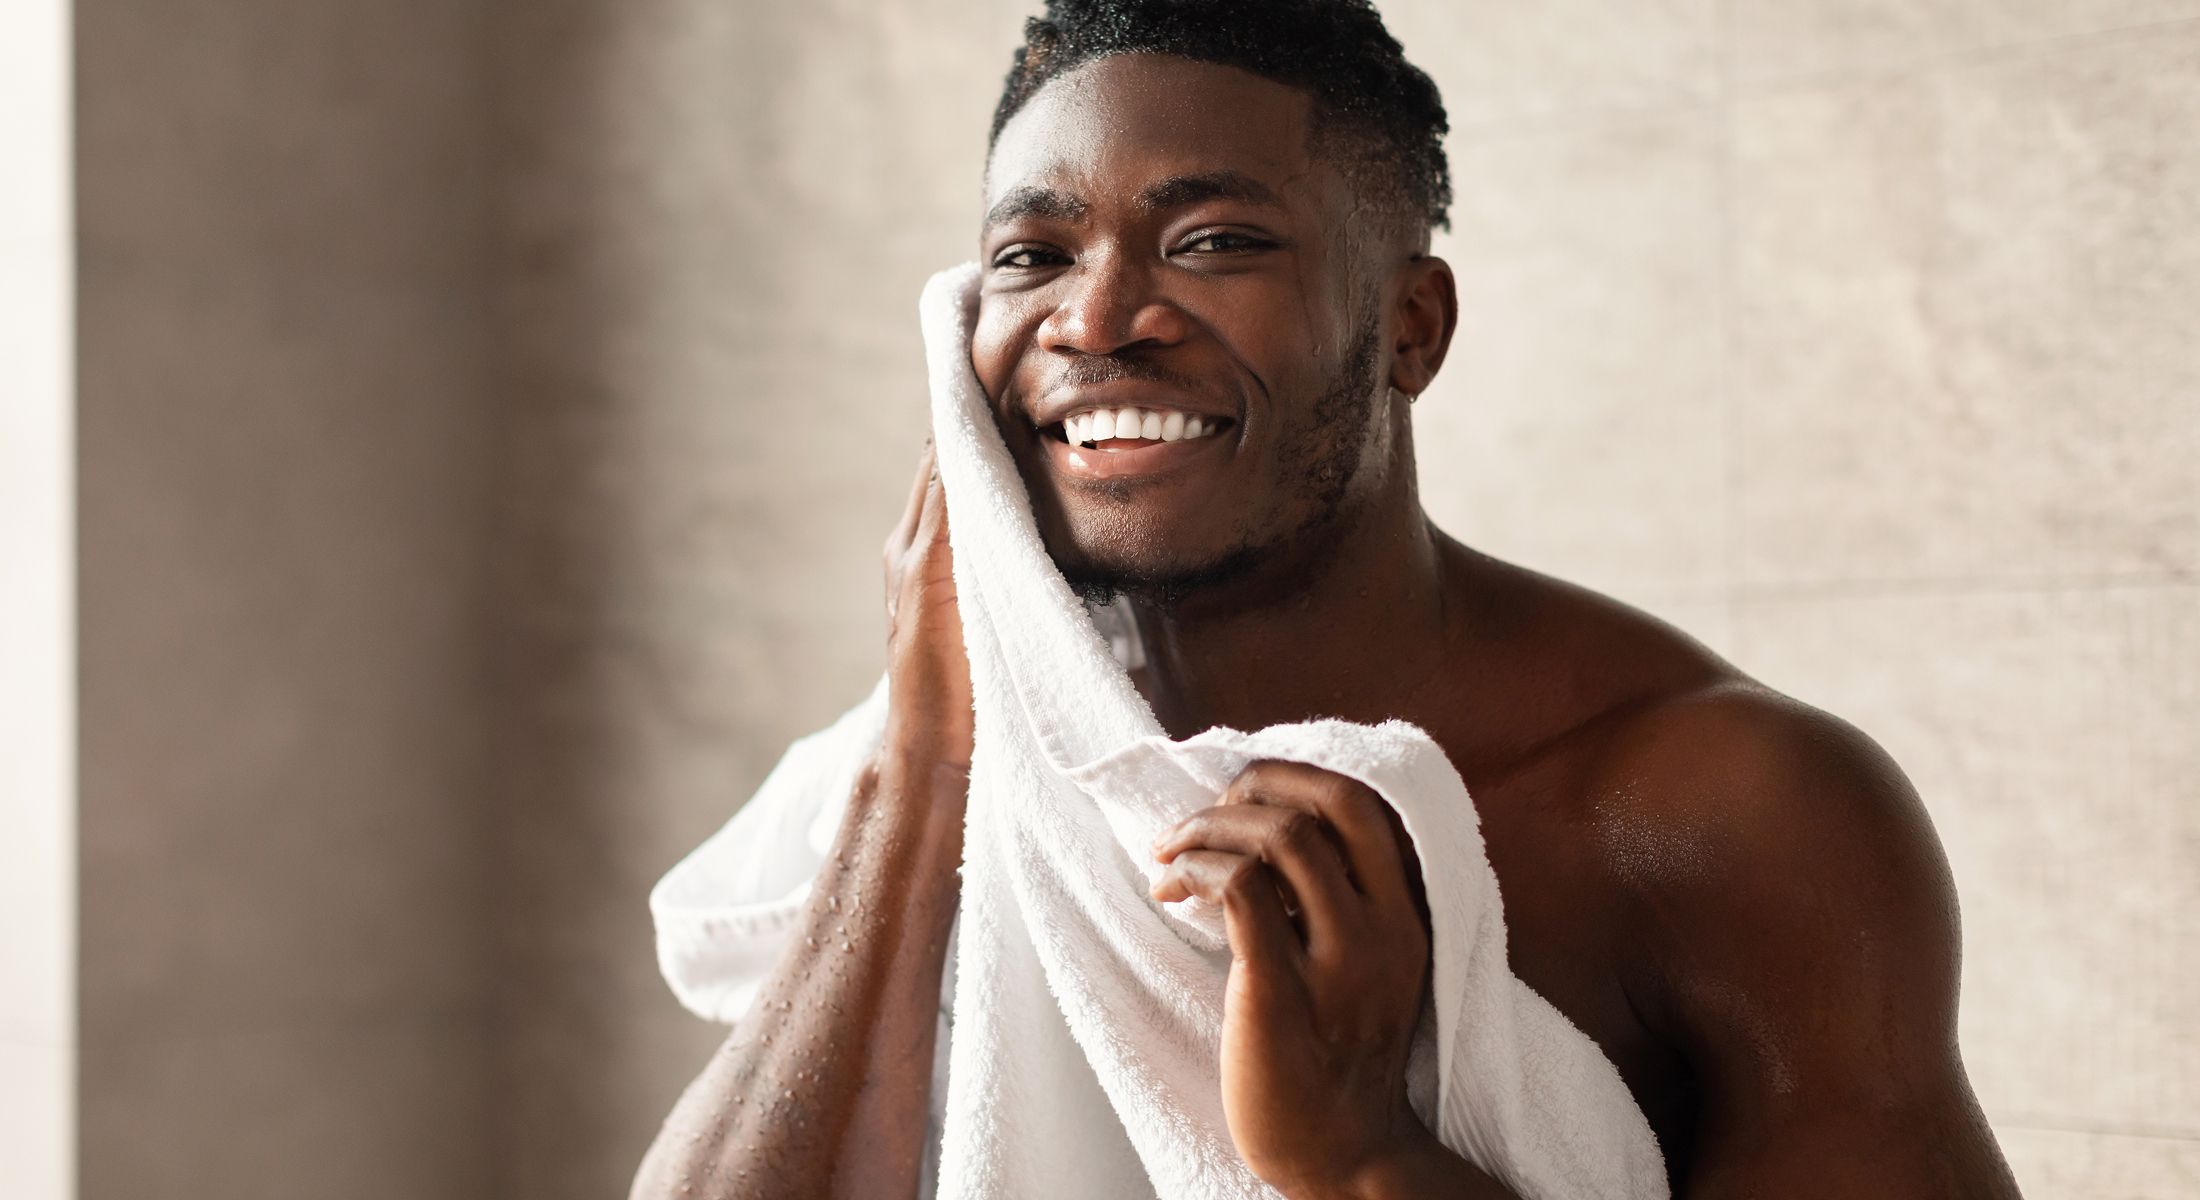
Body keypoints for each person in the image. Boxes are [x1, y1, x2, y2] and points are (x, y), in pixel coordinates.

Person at [631, 1, 2024, 1196]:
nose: (1098, 318)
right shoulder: (934, 772)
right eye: (1032, 256)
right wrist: (924, 762)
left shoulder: (1722, 811)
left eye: (1216, 241)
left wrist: (1364, 1163)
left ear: (1407, 327)